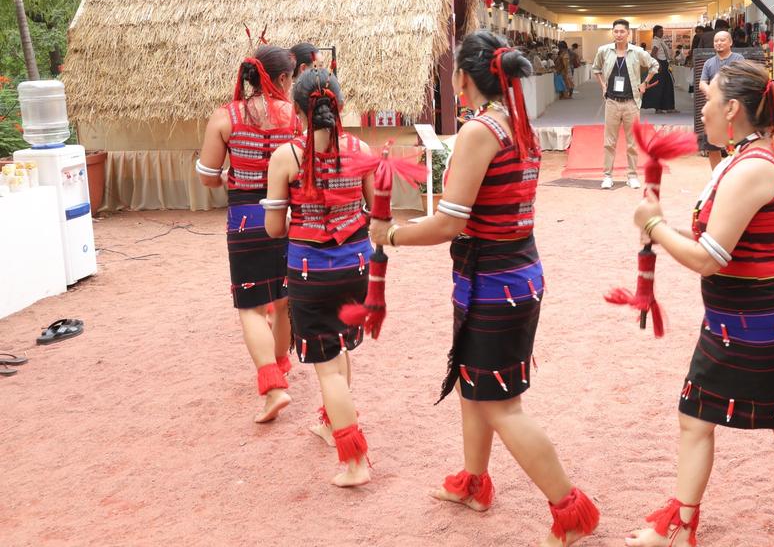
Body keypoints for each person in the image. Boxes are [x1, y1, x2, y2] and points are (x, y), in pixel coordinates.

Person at [374, 31, 599, 546]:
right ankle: (475, 483)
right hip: (510, 274)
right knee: (475, 388)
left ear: (462, 78)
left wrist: (390, 235)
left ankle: (571, 510)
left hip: (496, 281)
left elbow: (449, 223)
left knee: (502, 406)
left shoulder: (481, 130)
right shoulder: (518, 126)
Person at [627, 61, 774, 547]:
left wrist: (653, 227)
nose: (702, 109)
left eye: (708, 99)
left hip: (762, 324)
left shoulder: (752, 167)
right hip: (732, 320)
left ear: (731, 108)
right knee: (695, 417)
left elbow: (708, 258)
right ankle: (683, 523)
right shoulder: (739, 158)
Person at [264, 68, 375, 487]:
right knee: (341, 345)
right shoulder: (360, 147)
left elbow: (275, 228)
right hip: (356, 266)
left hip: (312, 271)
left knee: (326, 365)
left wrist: (301, 214)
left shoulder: (285, 157)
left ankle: (355, 460)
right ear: (340, 107)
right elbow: (375, 208)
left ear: (298, 110)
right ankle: (332, 424)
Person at [196, 45, 298, 424]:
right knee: (284, 298)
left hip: (244, 218)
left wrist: (228, 175)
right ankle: (281, 365)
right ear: (282, 79)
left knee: (251, 306)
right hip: (288, 216)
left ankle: (273, 387)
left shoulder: (226, 116)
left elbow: (208, 175)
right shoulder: (294, 116)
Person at [592, 18, 659, 190]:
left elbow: (654, 65)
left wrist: (645, 83)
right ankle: (607, 176)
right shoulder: (604, 51)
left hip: (632, 103)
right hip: (612, 102)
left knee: (632, 143)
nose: (619, 34)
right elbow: (596, 69)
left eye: (622, 31)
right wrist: (603, 86)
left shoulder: (637, 52)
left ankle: (632, 175)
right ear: (613, 33)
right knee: (609, 142)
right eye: (616, 31)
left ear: (628, 33)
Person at [698, 31, 745, 169]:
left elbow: (742, 80)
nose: (718, 43)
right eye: (716, 41)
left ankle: (735, 175)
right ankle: (716, 176)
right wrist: (712, 94)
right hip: (715, 109)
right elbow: (702, 83)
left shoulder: (739, 59)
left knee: (735, 144)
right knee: (712, 146)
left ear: (730, 42)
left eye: (722, 40)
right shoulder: (709, 63)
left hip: (733, 108)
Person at [642, 25, 677, 113]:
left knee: (667, 86)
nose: (662, 33)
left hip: (664, 63)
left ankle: (669, 107)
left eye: (662, 31)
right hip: (660, 64)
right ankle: (658, 108)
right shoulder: (656, 41)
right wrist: (658, 64)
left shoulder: (661, 41)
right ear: (656, 32)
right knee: (659, 86)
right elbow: (653, 53)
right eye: (660, 31)